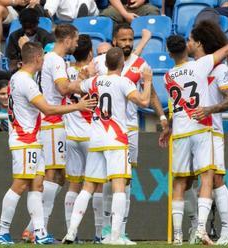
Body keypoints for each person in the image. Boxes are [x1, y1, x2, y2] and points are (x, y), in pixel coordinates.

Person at [0, 41, 96, 245]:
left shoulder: (17, 78)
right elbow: (48, 109)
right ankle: (2, 230)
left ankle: (39, 232)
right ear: (38, 58)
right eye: (43, 57)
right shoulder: (26, 82)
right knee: (20, 185)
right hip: (24, 140)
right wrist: (79, 106)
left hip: (33, 139)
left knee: (37, 185)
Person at [62, 47, 153, 245]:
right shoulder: (124, 82)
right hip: (117, 139)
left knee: (87, 187)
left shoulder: (94, 81)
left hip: (95, 137)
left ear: (105, 64)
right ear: (122, 63)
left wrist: (83, 75)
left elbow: (71, 88)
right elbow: (144, 100)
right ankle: (114, 236)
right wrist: (148, 81)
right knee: (119, 187)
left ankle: (71, 231)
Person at [93, 23, 168, 244]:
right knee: (106, 181)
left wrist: (162, 117)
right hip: (107, 129)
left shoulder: (140, 64)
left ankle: (120, 230)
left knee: (125, 182)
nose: (127, 43)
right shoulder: (104, 63)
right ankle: (105, 230)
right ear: (114, 41)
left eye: (130, 39)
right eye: (123, 40)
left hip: (130, 130)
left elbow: (151, 93)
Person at [161, 34, 228, 245]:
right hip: (201, 127)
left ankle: (177, 236)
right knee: (207, 177)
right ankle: (202, 229)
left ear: (168, 53)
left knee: (180, 183)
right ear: (186, 47)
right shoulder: (200, 65)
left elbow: (174, 108)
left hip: (181, 131)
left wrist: (169, 128)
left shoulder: (167, 76)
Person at [21, 24, 88, 240]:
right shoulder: (57, 60)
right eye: (75, 39)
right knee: (51, 174)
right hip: (51, 122)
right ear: (67, 39)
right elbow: (63, 88)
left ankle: (33, 228)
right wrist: (87, 84)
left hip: (53, 122)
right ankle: (38, 231)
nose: (77, 44)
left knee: (59, 176)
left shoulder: (50, 58)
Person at [185, 20, 228, 245]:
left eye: (190, 40)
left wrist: (208, 109)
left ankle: (226, 231)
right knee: (185, 181)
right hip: (191, 132)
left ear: (199, 43)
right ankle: (195, 227)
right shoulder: (192, 69)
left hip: (212, 130)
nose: (187, 43)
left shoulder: (220, 69)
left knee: (216, 180)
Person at [60, 34, 101, 243]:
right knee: (97, 184)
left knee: (73, 185)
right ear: (91, 53)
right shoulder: (95, 74)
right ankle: (99, 233)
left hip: (71, 135)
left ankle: (71, 232)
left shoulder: (67, 72)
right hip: (90, 135)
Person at [6, 7, 55, 73]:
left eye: (31, 27)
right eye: (25, 27)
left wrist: (25, 47)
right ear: (21, 24)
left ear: (37, 23)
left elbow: (48, 62)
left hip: (40, 71)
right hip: (20, 71)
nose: (28, 31)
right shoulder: (14, 37)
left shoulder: (46, 37)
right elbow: (12, 62)